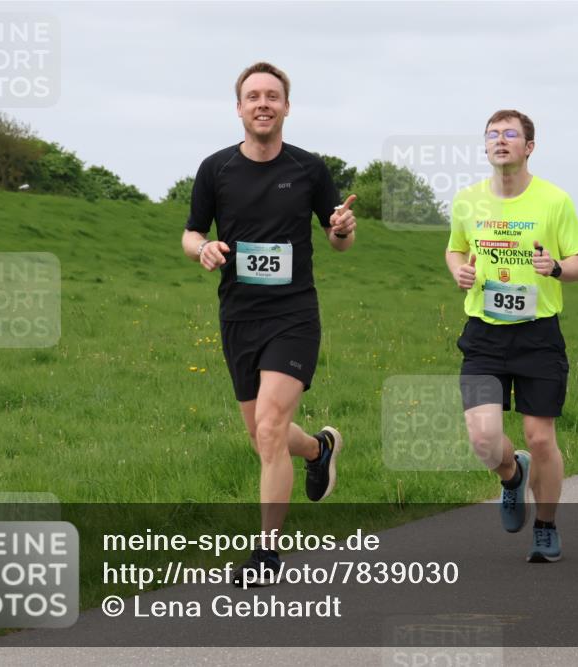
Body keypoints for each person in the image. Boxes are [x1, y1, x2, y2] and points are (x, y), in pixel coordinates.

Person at [181, 62, 357, 585]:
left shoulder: (309, 169)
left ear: (286, 107)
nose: (263, 103)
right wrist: (203, 249)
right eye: (253, 96)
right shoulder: (216, 169)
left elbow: (338, 238)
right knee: (264, 440)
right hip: (238, 316)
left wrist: (343, 229)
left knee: (270, 426)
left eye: (272, 96)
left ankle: (266, 554)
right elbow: (190, 233)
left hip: (293, 315)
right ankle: (320, 448)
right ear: (239, 108)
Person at [446, 109, 578, 562]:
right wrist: (460, 273)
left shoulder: (554, 201)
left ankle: (545, 527)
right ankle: (512, 475)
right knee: (483, 439)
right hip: (484, 334)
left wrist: (557, 268)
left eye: (511, 134)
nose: (500, 140)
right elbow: (454, 249)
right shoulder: (467, 201)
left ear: (529, 147)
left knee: (541, 437)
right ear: (485, 147)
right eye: (493, 135)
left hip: (538, 334)